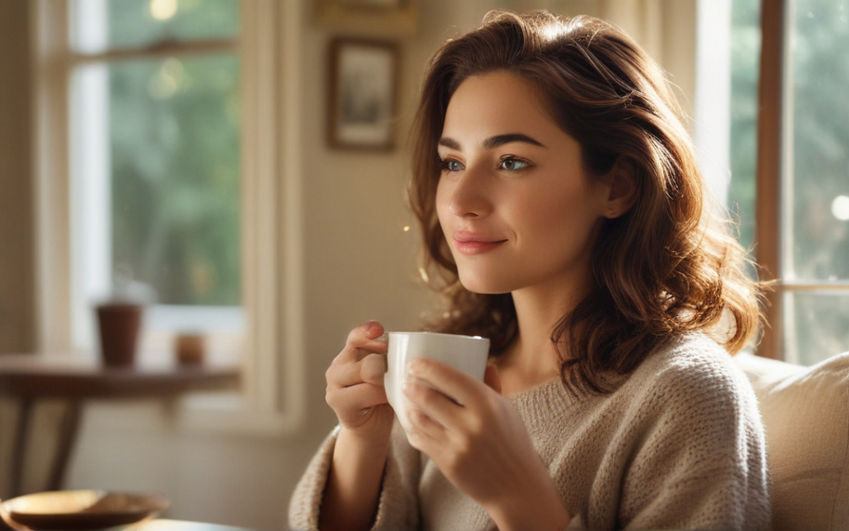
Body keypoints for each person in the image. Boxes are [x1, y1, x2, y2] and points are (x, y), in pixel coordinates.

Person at [289, 10, 770, 531]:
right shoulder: (452, 366)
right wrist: (363, 439)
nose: (462, 202)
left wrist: (515, 495)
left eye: (511, 161)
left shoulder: (687, 396)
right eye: (452, 163)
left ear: (618, 187)